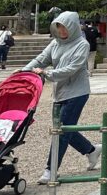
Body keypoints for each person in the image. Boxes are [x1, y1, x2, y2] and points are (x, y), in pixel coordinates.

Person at [23, 11, 100, 184]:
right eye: (59, 27)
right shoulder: (55, 43)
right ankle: (91, 150)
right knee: (65, 128)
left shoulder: (82, 44)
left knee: (61, 131)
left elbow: (72, 68)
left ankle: (51, 169)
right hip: (59, 92)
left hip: (77, 93)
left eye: (65, 27)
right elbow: (41, 59)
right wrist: (24, 70)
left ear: (72, 27)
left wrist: (47, 74)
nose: (62, 31)